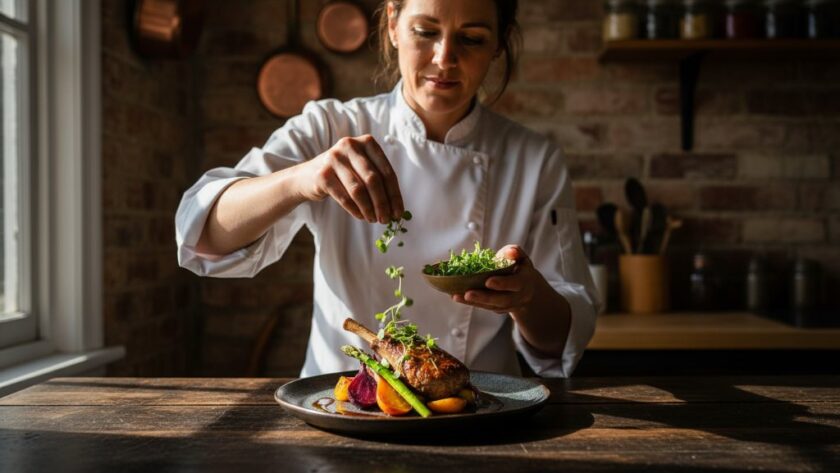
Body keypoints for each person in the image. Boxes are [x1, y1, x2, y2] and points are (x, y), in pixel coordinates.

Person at [176, 0, 600, 378]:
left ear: (497, 48)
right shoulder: (330, 127)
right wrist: (300, 179)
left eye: (471, 38)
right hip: (340, 409)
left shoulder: (534, 160)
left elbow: (560, 343)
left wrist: (527, 298)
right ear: (394, 24)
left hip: (477, 412)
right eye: (426, 32)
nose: (445, 57)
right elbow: (203, 233)